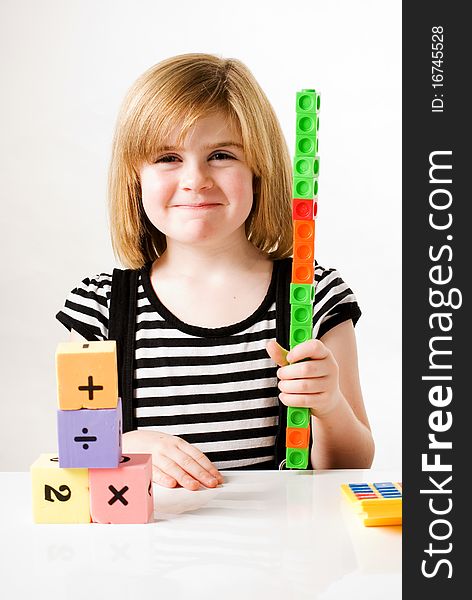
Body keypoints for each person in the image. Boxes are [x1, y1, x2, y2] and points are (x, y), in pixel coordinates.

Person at [56, 53, 375, 491]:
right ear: (136, 178)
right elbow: (72, 462)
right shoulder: (99, 308)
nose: (195, 179)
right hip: (146, 554)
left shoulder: (317, 296)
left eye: (221, 154)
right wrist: (125, 446)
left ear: (258, 172)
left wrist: (330, 405)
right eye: (167, 157)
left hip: (283, 552)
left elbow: (355, 464)